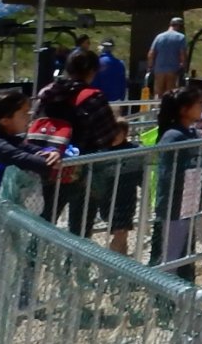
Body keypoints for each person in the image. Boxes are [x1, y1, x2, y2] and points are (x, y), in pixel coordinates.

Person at [33, 48, 137, 253]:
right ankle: (73, 273)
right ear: (92, 70)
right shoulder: (93, 97)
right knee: (80, 230)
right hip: (83, 172)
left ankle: (29, 271)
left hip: (46, 168)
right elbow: (108, 136)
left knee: (41, 223)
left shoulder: (47, 93)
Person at [154, 86, 202, 278]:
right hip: (174, 203)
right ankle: (163, 297)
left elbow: (197, 162)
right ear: (184, 109)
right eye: (198, 104)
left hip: (187, 202)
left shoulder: (189, 133)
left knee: (180, 251)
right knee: (171, 255)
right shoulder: (173, 136)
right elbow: (170, 173)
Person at [147, 16, 189, 97]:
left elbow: (151, 53)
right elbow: (182, 55)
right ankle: (168, 109)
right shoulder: (180, 37)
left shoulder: (159, 37)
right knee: (170, 94)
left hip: (158, 70)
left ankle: (157, 108)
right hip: (172, 70)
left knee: (158, 94)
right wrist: (184, 67)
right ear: (179, 26)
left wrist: (150, 67)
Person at [95, 39, 129, 104]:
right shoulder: (120, 64)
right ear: (112, 48)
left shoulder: (96, 63)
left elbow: (93, 83)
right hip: (116, 101)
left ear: (102, 47)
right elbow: (123, 83)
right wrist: (122, 99)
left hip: (99, 102)